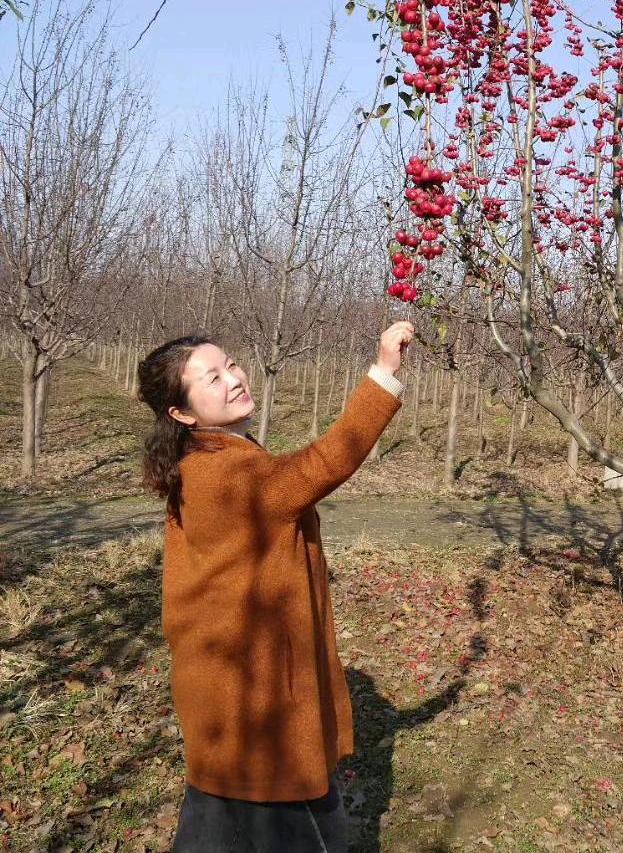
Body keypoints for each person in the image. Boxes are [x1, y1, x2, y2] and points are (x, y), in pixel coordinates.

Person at [136, 321, 415, 853]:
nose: (233, 379)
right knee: (297, 824)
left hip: (224, 700)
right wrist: (383, 372)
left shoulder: (209, 457)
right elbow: (325, 463)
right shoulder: (225, 474)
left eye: (230, 365)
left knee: (216, 824)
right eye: (212, 378)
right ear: (182, 413)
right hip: (259, 710)